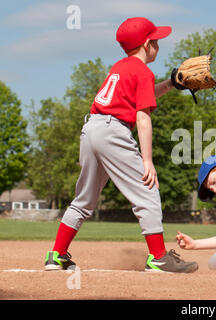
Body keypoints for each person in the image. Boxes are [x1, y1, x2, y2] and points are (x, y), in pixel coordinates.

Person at [44, 17, 198, 273]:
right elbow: (142, 115)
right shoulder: (143, 72)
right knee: (147, 191)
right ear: (147, 44)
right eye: (156, 41)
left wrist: (171, 84)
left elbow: (138, 96)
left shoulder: (121, 67)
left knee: (83, 199)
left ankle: (56, 255)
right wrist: (147, 161)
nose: (158, 45)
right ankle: (159, 257)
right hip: (113, 132)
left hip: (92, 128)